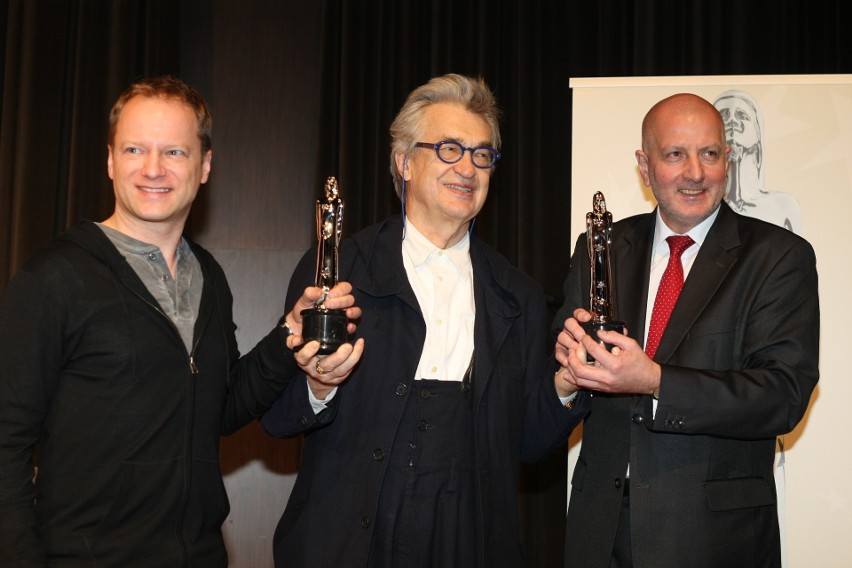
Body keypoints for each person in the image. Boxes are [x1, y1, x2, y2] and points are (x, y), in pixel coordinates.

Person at [0, 75, 363, 567]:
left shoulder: (209, 277)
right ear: (110, 160)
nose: (153, 169)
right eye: (134, 149)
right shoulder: (54, 277)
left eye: (174, 152)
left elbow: (223, 405)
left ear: (205, 165)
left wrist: (290, 335)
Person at [260, 73, 587, 567]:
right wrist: (317, 386)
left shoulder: (515, 293)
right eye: (450, 149)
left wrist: (565, 383)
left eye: (482, 155)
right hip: (350, 539)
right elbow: (278, 416)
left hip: (470, 539)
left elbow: (527, 441)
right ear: (405, 161)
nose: (469, 168)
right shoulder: (339, 271)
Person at [552, 93, 819, 568]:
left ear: (728, 159)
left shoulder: (777, 256)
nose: (695, 172)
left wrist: (656, 380)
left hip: (714, 539)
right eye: (675, 154)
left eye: (710, 154)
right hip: (599, 533)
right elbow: (555, 379)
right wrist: (567, 382)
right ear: (644, 164)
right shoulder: (602, 250)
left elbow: (783, 394)